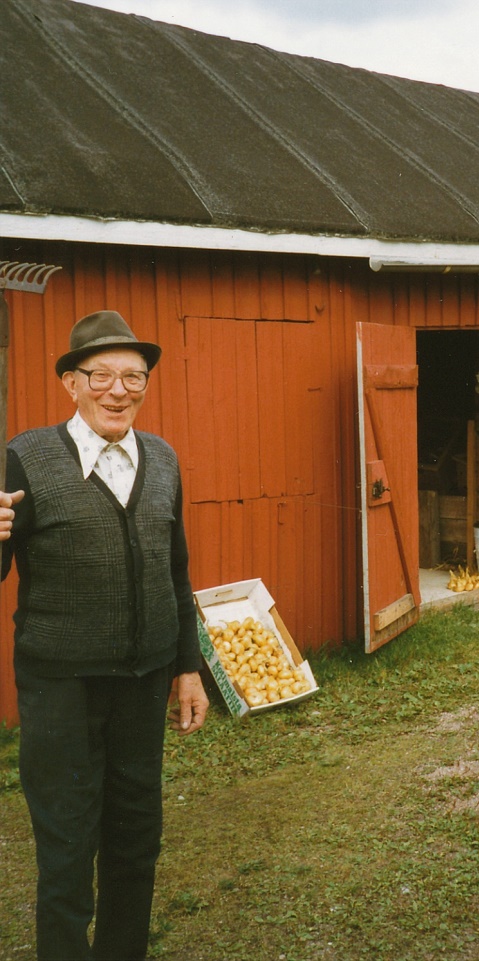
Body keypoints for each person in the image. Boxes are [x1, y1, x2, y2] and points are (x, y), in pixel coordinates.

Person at [0, 310, 209, 961]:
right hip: (60, 684)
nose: (119, 390)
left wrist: (187, 666)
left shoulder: (164, 460)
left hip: (143, 684)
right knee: (67, 844)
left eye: (134, 377)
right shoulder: (26, 457)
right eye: (101, 376)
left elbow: (174, 573)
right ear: (71, 381)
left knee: (135, 838)